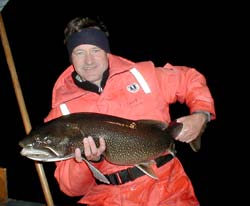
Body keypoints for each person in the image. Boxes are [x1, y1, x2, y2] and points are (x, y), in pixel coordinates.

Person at [44, 16, 216, 206]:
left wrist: (201, 115)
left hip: (168, 188)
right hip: (108, 198)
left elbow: (189, 79)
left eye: (95, 50)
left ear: (106, 51)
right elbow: (70, 188)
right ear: (71, 57)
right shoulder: (61, 113)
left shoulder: (142, 75)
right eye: (79, 52)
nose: (89, 61)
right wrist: (89, 162)